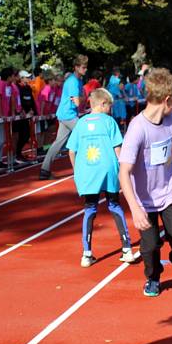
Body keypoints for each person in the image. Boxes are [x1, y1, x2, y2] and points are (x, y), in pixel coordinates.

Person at [118, 68, 172, 297]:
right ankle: (154, 277)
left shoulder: (171, 119)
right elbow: (124, 172)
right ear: (167, 100)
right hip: (144, 199)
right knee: (149, 247)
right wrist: (135, 209)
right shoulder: (137, 129)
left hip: (170, 191)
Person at [66, 88, 134, 267]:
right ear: (103, 104)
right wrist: (124, 170)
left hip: (87, 171)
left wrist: (77, 170)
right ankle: (127, 248)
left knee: (90, 208)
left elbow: (72, 150)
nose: (111, 109)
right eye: (110, 105)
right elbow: (117, 148)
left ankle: (86, 254)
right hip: (108, 170)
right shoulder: (109, 122)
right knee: (114, 204)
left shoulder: (80, 123)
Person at [40, 54, 88, 180]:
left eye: (86, 67)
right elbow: (78, 101)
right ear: (76, 67)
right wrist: (82, 98)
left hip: (66, 114)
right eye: (83, 67)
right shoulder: (72, 81)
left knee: (58, 143)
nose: (85, 69)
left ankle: (44, 171)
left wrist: (81, 98)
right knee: (86, 136)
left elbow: (80, 98)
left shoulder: (78, 80)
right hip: (68, 115)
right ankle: (83, 169)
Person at [0, 67, 17, 171]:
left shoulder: (9, 86)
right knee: (0, 140)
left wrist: (12, 113)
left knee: (3, 140)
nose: (14, 78)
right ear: (9, 76)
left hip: (4, 116)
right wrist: (1, 114)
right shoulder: (0, 84)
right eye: (13, 76)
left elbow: (11, 99)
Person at [16, 70, 36, 163]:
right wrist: (21, 110)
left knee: (26, 135)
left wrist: (32, 109)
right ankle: (17, 155)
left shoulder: (28, 88)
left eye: (29, 77)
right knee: (21, 135)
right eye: (26, 77)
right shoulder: (17, 88)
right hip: (19, 116)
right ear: (21, 78)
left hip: (27, 116)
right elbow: (18, 101)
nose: (28, 79)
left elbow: (31, 100)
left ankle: (18, 154)